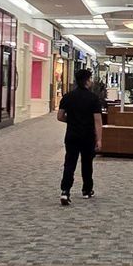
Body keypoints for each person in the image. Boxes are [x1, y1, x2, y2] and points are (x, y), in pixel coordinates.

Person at [57, 65, 102, 205]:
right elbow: (97, 120)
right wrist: (99, 139)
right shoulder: (93, 98)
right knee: (87, 163)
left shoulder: (68, 97)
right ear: (87, 81)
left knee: (69, 163)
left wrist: (71, 121)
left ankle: (65, 191)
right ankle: (87, 190)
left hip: (72, 135)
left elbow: (59, 116)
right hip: (87, 136)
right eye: (90, 79)